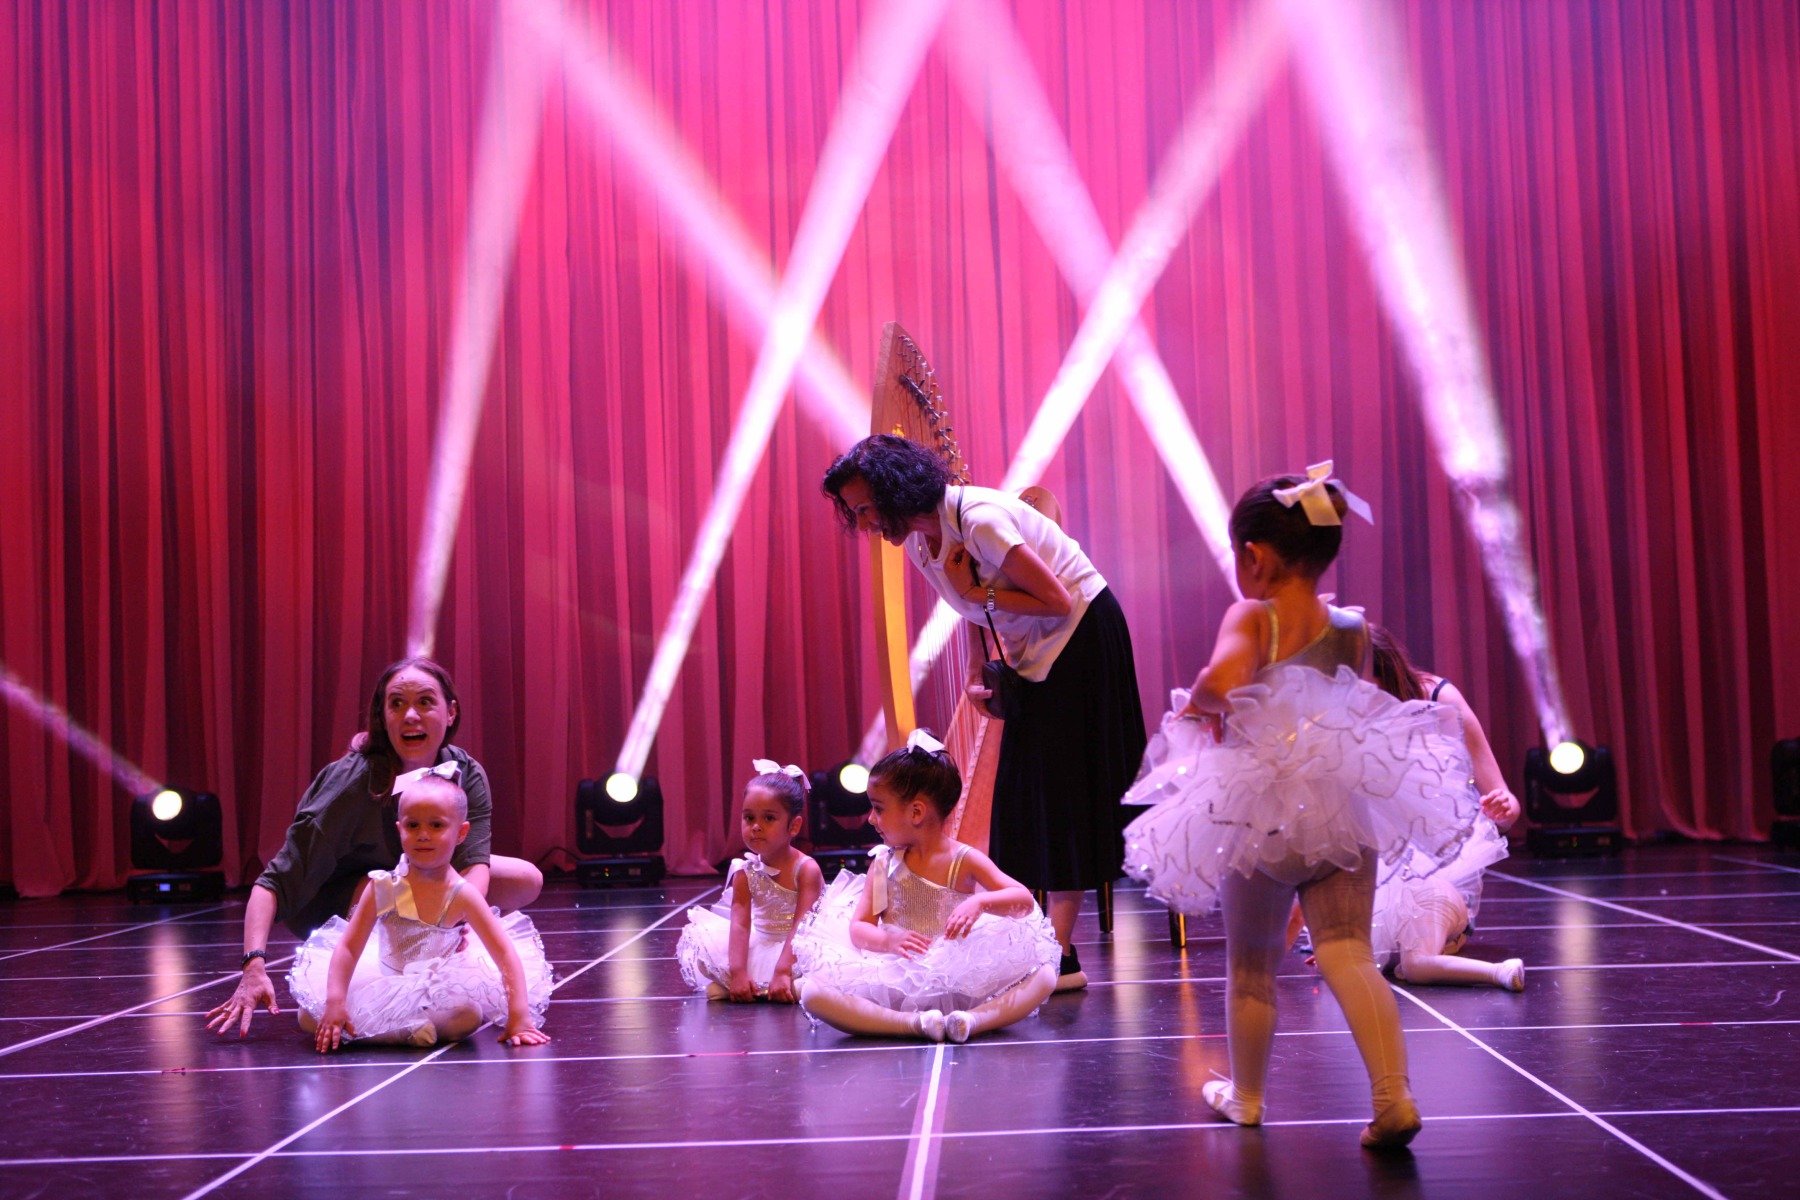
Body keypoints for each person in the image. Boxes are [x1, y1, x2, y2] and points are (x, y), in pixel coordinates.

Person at [1121, 465, 1478, 1149]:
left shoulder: (1255, 616)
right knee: (1349, 952)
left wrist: (1201, 703)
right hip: (1344, 800)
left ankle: (1248, 1099)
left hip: (1264, 811)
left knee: (1252, 967)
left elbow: (1224, 680)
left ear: (1254, 557)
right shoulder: (1353, 628)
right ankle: (1393, 1096)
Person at [823, 435, 1146, 990]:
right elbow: (968, 606)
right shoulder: (923, 541)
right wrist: (977, 665)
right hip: (1039, 650)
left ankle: (1060, 956)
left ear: (895, 492)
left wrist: (977, 593)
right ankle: (1046, 945)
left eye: (867, 508)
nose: (866, 524)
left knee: (1062, 796)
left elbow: (1056, 601)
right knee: (1026, 795)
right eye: (857, 514)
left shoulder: (980, 519)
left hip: (1082, 639)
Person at [206, 657, 544, 1037]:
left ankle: (429, 949)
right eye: (397, 704)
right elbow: (273, 881)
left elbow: (474, 861)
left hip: (422, 877)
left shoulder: (463, 772)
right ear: (383, 717)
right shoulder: (350, 783)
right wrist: (253, 964)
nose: (411, 715)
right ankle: (387, 994)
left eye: (425, 702)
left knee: (525, 878)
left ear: (450, 712)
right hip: (341, 895)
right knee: (389, 886)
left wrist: (458, 919)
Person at [794, 731, 1060, 1043]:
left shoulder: (964, 859)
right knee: (812, 993)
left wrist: (979, 903)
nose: (870, 819)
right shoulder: (884, 864)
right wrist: (888, 941)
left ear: (916, 812)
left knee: (1044, 976)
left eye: (878, 808)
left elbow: (1023, 900)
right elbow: (859, 927)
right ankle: (912, 1023)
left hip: (959, 972)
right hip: (896, 972)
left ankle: (971, 1021)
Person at [290, 774, 552, 1050]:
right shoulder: (382, 886)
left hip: (436, 988)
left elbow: (504, 953)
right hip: (383, 977)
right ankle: (401, 1032)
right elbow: (348, 947)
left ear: (461, 833)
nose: (423, 835)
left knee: (467, 1017)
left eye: (436, 825)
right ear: (399, 829)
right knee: (307, 1015)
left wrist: (519, 1016)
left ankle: (391, 1030)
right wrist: (336, 1000)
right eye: (412, 825)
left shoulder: (463, 894)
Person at [1361, 624, 1524, 990]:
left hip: (1440, 871)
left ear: (1385, 671)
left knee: (1414, 961)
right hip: (1379, 875)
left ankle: (1479, 959)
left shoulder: (1439, 698)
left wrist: (1503, 807)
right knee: (1390, 962)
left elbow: (1505, 801)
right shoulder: (1346, 713)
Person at [675, 761, 824, 1002]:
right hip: (762, 942)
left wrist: (782, 970)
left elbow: (802, 926)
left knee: (815, 984)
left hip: (799, 946)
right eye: (749, 817)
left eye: (768, 818)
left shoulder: (806, 870)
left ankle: (786, 983)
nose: (756, 827)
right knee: (711, 975)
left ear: (794, 826)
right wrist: (738, 972)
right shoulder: (745, 870)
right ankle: (752, 984)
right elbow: (740, 924)